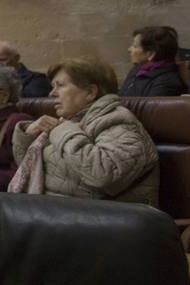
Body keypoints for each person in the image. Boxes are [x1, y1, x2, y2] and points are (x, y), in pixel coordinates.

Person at [11, 58, 159, 205]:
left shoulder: (117, 120)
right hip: (60, 214)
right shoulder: (72, 122)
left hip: (105, 220)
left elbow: (104, 175)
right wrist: (29, 135)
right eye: (53, 87)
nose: (52, 93)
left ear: (90, 92)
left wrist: (62, 131)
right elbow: (30, 171)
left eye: (60, 85)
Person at [120, 26, 187, 97]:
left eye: (135, 46)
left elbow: (147, 107)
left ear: (151, 54)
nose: (129, 49)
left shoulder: (166, 83)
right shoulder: (136, 70)